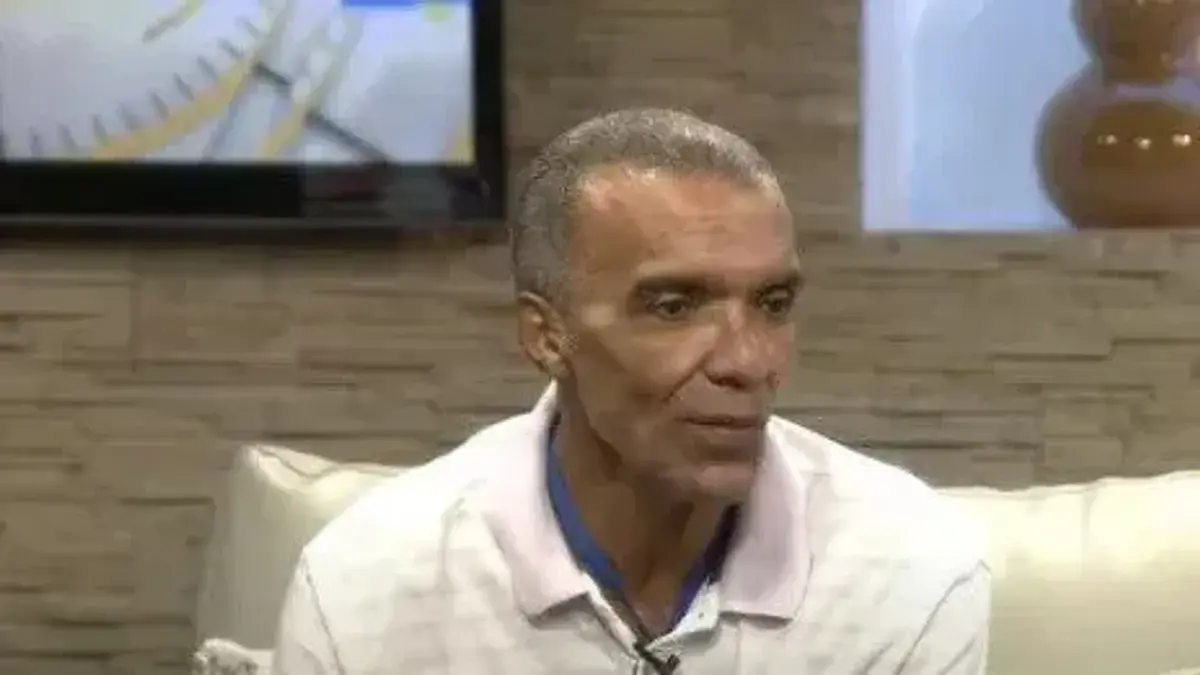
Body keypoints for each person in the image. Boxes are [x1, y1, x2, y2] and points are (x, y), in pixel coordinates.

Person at [269, 108, 990, 674]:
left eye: (773, 304)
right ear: (547, 336)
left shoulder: (906, 568)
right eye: (674, 307)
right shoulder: (365, 588)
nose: (748, 362)